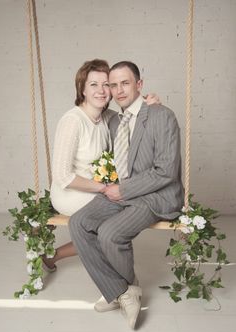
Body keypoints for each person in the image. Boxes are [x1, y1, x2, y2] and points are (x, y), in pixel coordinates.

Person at [68, 61, 184, 329]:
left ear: (139, 85)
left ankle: (125, 289)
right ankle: (121, 291)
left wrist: (124, 189)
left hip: (156, 195)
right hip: (123, 192)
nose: (118, 90)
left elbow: (166, 171)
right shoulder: (114, 119)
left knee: (110, 233)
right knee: (78, 223)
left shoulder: (161, 115)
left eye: (125, 83)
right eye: (113, 84)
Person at [42, 59, 160, 271]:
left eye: (106, 84)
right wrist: (104, 189)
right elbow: (63, 177)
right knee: (120, 218)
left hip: (98, 190)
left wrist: (150, 105)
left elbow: (134, 116)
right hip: (70, 192)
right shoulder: (73, 121)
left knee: (117, 223)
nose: (101, 91)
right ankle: (120, 282)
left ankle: (53, 257)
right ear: (83, 90)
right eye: (93, 85)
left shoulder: (107, 117)